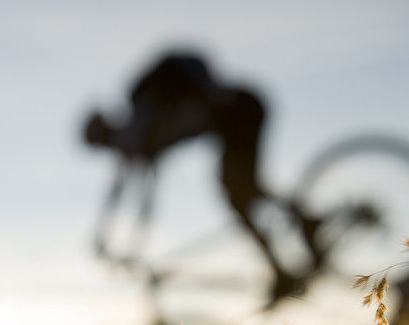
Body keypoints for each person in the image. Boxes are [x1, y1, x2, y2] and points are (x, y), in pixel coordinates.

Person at [82, 51, 324, 302]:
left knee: (240, 193)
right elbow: (123, 192)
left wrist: (129, 244)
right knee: (243, 191)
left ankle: (291, 250)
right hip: (239, 110)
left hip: (239, 111)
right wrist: (112, 237)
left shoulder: (141, 130)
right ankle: (297, 232)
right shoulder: (141, 131)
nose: (112, 153)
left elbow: (137, 198)